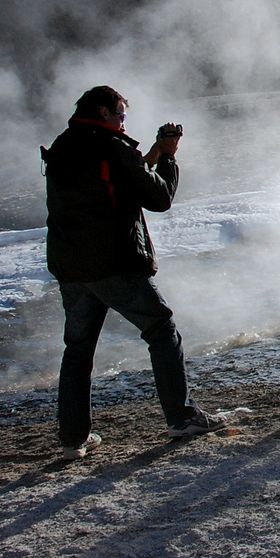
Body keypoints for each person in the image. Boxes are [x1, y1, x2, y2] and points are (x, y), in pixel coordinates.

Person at [42, 85, 226, 459]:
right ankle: (181, 415)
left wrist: (153, 152)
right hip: (113, 262)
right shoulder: (112, 147)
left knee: (77, 349)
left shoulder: (64, 144)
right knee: (161, 329)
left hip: (70, 266)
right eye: (121, 115)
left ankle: (72, 439)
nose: (124, 122)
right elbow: (158, 197)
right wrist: (169, 158)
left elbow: (119, 182)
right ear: (103, 112)